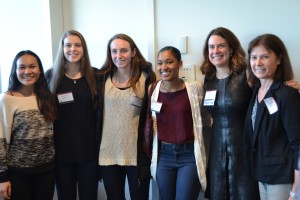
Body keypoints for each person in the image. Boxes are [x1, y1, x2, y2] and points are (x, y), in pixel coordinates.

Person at [200, 27, 260, 199]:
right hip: (217, 149)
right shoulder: (208, 79)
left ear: (231, 48)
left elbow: (269, 91)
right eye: (211, 47)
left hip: (244, 148)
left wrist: (289, 86)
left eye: (221, 46)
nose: (215, 51)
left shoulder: (247, 74)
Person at [97, 33, 156, 200]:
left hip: (136, 154)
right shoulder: (101, 79)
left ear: (133, 52)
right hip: (107, 153)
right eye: (114, 51)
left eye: (123, 50)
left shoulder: (146, 78)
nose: (118, 55)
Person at [144, 46, 207, 200]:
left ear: (180, 64)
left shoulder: (194, 88)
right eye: (160, 63)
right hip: (163, 156)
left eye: (169, 62)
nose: (163, 67)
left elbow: (204, 120)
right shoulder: (153, 89)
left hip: (189, 156)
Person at [243, 33, 300, 200]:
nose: (258, 63)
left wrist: (295, 193)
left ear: (279, 59)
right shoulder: (256, 91)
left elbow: (298, 145)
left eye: (265, 57)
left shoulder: (287, 94)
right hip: (262, 175)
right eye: (254, 57)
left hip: (282, 178)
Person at [46, 30, 99, 200]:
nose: (72, 49)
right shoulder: (50, 76)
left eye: (77, 45)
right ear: (62, 48)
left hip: (89, 154)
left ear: (84, 48)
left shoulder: (96, 76)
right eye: (68, 45)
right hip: (62, 155)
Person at [0, 50, 56, 200]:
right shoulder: (6, 99)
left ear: (39, 70)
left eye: (32, 66)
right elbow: (1, 141)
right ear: (15, 71)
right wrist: (2, 178)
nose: (27, 71)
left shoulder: (47, 97)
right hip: (18, 174)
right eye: (22, 67)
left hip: (47, 171)